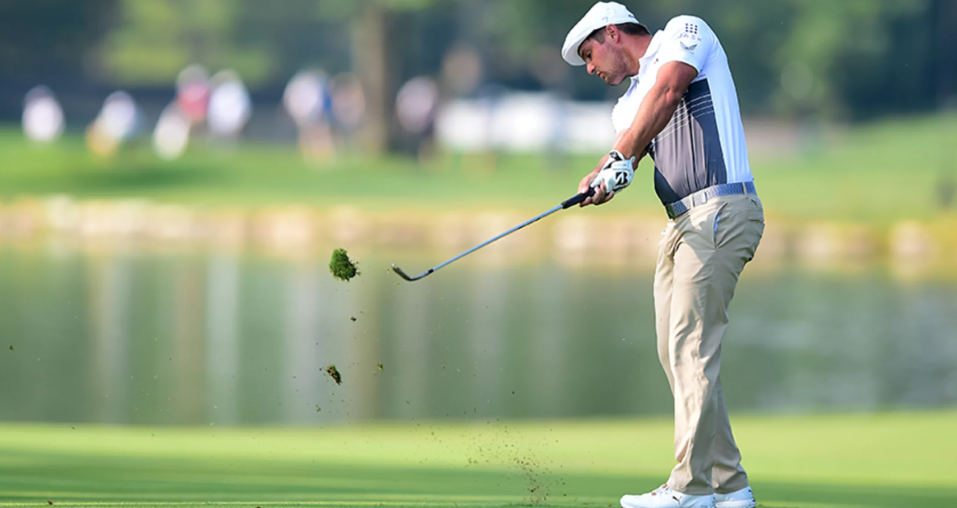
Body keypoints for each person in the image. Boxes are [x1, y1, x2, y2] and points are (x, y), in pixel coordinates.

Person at [561, 3, 764, 508]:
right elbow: (631, 142)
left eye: (590, 54)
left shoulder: (685, 33)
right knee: (676, 356)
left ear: (612, 33)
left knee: (692, 349)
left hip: (721, 207)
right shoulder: (626, 106)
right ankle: (730, 486)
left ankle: (689, 490)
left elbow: (670, 90)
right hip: (680, 225)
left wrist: (617, 158)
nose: (591, 68)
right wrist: (602, 179)